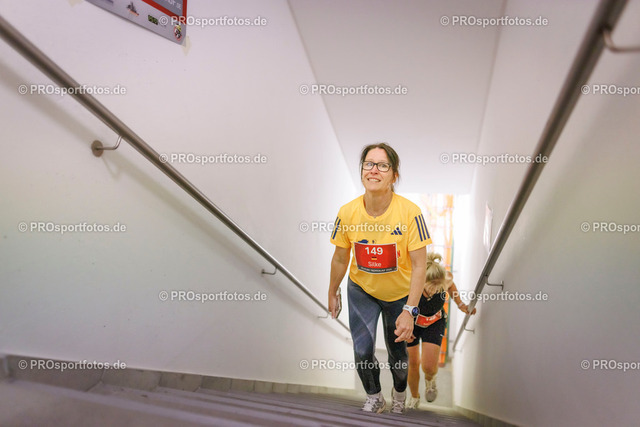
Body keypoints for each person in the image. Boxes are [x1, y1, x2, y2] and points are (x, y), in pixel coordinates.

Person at [328, 143, 431, 414]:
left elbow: (420, 266)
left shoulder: (410, 213)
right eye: (368, 164)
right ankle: (374, 395)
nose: (374, 170)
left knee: (398, 354)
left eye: (383, 165)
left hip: (399, 295)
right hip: (362, 290)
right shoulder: (347, 212)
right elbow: (340, 258)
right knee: (362, 349)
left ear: (394, 175)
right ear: (362, 170)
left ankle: (399, 393)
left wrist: (410, 310)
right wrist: (332, 291)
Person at [405, 252, 476, 408]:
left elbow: (452, 288)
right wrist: (404, 327)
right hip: (412, 323)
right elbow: (398, 303)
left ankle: (430, 380)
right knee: (413, 362)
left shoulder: (446, 278)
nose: (434, 291)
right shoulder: (410, 279)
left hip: (434, 321)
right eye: (431, 288)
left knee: (429, 367)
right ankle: (414, 397)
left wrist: (461, 304)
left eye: (438, 288)